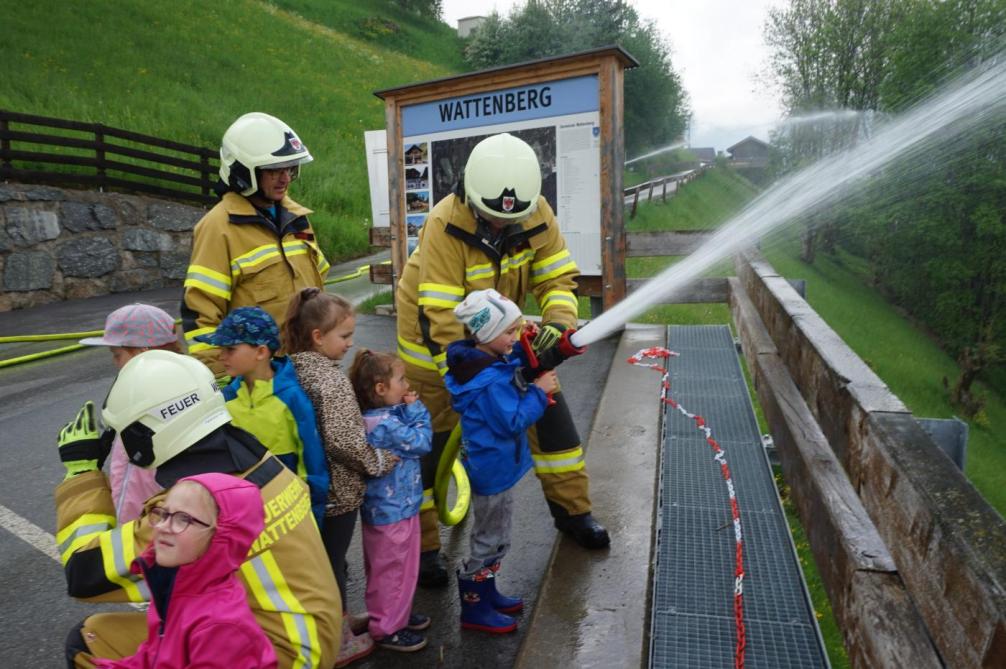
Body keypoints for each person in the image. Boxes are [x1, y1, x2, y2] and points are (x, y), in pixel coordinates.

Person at [394, 132, 609, 586]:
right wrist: (479, 379)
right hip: (434, 355)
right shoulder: (443, 224)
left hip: (505, 345)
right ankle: (427, 548)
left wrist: (556, 322)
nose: (496, 227)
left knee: (555, 428)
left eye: (504, 219)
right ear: (468, 195)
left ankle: (574, 514)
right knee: (427, 451)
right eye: (488, 217)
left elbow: (555, 278)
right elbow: (440, 316)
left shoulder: (536, 212)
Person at [56, 350, 340, 669]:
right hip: (312, 642)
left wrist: (81, 474)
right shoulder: (261, 463)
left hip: (273, 656)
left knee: (90, 639)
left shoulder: (194, 512)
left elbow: (84, 574)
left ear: (141, 437)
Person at [284, 288, 400, 665]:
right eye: (345, 336)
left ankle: (341, 621)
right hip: (338, 490)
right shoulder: (330, 381)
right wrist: (379, 461)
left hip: (309, 486)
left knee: (324, 560)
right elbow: (343, 441)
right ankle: (333, 639)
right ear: (318, 336)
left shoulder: (294, 366)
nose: (351, 344)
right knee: (331, 563)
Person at [181, 112, 330, 379]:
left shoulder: (298, 218)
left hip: (309, 369)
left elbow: (319, 289)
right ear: (242, 172)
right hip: (258, 381)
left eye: (289, 169)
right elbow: (201, 315)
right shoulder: (218, 228)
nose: (285, 178)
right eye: (274, 170)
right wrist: (222, 379)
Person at [445, 289, 559, 633]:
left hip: (497, 468)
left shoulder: (489, 363)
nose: (515, 336)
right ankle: (474, 609)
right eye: (510, 332)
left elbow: (510, 365)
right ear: (486, 334)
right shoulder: (489, 381)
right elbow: (511, 420)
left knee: (498, 535)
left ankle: (488, 592)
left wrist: (526, 346)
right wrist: (539, 392)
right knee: (488, 537)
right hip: (492, 471)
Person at [95, 474, 277, 669]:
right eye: (164, 514)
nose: (164, 526)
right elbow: (153, 655)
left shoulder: (220, 626)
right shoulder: (175, 589)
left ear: (221, 538)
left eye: (184, 519)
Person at [194, 306, 329, 524]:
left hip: (289, 513)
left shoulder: (292, 398)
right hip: (240, 516)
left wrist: (313, 516)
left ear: (261, 352)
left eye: (230, 349)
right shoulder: (225, 399)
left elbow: (312, 461)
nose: (222, 356)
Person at [348, 349, 433, 652]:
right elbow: (422, 442)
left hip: (395, 508)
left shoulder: (382, 417)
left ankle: (397, 614)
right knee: (392, 570)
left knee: (398, 567)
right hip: (391, 512)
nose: (407, 384)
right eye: (401, 379)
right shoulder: (384, 425)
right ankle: (387, 629)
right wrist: (417, 409)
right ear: (381, 389)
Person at [79, 303, 182, 523]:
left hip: (149, 525)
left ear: (142, 352)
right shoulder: (180, 386)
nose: (115, 363)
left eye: (117, 354)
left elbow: (135, 478)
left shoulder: (150, 401)